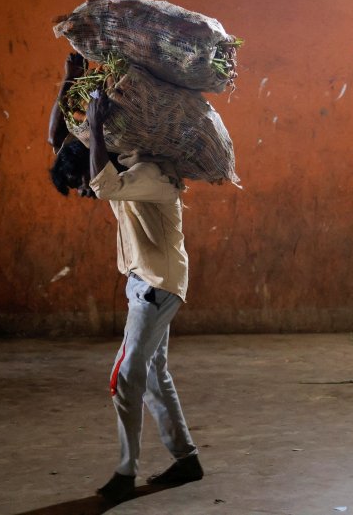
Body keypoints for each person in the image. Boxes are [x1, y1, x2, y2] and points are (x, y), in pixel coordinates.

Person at [49, 54, 203, 504]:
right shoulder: (126, 167)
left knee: (124, 378)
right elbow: (55, 139)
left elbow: (101, 184)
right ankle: (186, 458)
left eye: (79, 184)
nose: (84, 193)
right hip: (145, 282)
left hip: (156, 287)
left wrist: (95, 124)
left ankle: (124, 473)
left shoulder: (151, 176)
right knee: (154, 374)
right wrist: (68, 80)